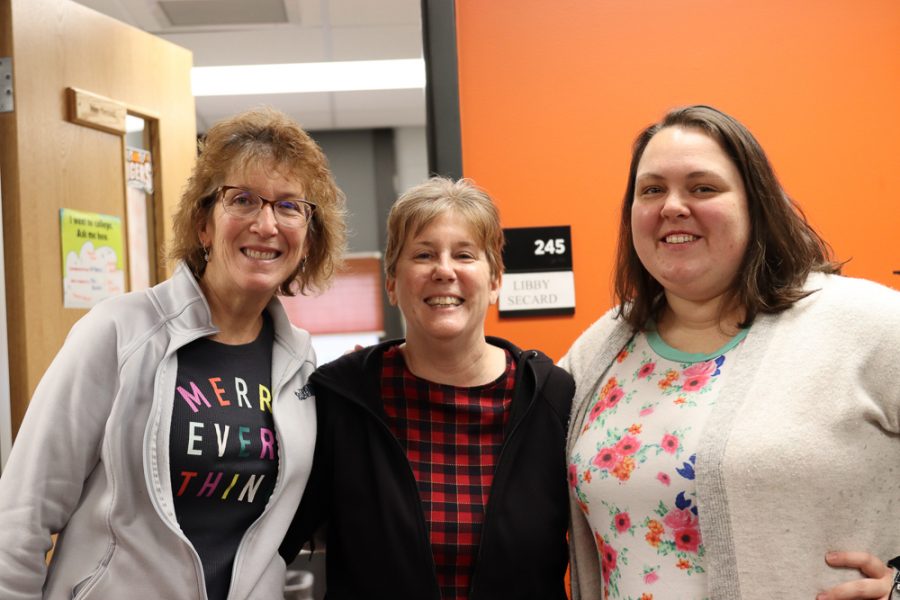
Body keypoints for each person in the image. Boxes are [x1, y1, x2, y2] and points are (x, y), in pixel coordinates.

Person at [0, 107, 346, 599]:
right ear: (203, 224)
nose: (266, 224)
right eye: (243, 199)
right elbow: (21, 516)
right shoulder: (119, 332)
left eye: (289, 206)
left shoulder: (301, 364)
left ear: (308, 239)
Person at [561, 104, 900, 600]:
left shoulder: (866, 324)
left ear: (756, 206)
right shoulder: (597, 353)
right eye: (651, 190)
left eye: (703, 188)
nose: (673, 206)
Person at [280, 177, 575, 599]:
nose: (444, 270)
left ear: (494, 281)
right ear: (392, 283)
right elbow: (269, 538)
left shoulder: (550, 399)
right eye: (423, 254)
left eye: (465, 255)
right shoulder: (341, 399)